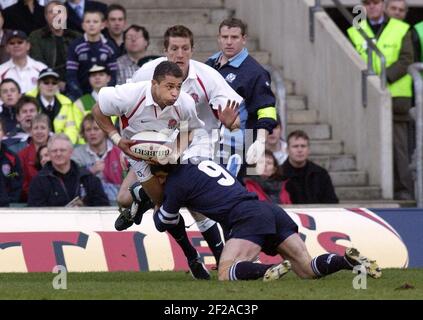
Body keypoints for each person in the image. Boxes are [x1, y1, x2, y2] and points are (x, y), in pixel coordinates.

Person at [149, 159, 381, 281]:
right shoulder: (198, 161)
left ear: (160, 175)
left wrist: (156, 202)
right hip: (269, 210)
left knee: (224, 271)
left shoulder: (175, 182)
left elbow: (163, 223)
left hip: (245, 217)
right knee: (307, 270)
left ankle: (271, 269)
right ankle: (347, 262)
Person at [126, 25, 243, 265]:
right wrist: (127, 142)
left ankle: (214, 258)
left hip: (199, 142)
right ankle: (195, 255)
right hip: (159, 142)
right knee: (123, 199)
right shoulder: (147, 73)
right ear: (165, 50)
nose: (180, 54)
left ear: (192, 50)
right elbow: (128, 108)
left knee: (193, 203)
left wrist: (231, 123)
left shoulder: (208, 76)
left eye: (185, 48)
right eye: (174, 48)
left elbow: (235, 120)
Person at [93, 61, 215, 279]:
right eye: (169, 86)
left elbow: (189, 130)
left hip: (169, 151)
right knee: (161, 206)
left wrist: (175, 152)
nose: (175, 92)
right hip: (137, 153)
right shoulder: (128, 95)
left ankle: (209, 258)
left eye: (178, 86)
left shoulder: (185, 102)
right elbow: (97, 111)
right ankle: (191, 255)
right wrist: (117, 139)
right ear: (154, 84)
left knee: (187, 206)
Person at [347, 0, 414, 200]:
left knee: (398, 148)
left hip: (395, 96)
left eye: (376, 3)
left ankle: (404, 192)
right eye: (368, 3)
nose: (373, 7)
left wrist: (381, 79)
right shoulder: (355, 31)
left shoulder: (401, 28)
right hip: (365, 97)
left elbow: (406, 60)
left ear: (383, 5)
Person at [206, 18, 278, 178]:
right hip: (207, 142)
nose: (229, 42)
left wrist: (260, 140)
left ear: (244, 39)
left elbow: (267, 109)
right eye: (225, 37)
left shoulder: (254, 72)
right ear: (218, 38)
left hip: (236, 146)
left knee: (230, 193)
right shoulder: (209, 64)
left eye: (235, 37)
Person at [28, 133, 109, 207]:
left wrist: (84, 208)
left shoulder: (87, 178)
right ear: (49, 153)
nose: (58, 154)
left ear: (71, 152)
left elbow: (103, 207)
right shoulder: (38, 181)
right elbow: (36, 213)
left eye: (62, 150)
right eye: (54, 151)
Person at [29, 0, 81, 91]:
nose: (55, 15)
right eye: (51, 12)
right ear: (45, 16)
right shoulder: (36, 36)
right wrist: (55, 81)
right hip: (47, 82)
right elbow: (37, 62)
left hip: (75, 82)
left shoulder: (76, 37)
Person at [66, 9, 117, 101]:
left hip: (104, 96)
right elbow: (71, 75)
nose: (91, 24)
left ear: (103, 25)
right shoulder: (75, 46)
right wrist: (82, 98)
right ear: (83, 25)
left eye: (95, 21)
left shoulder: (110, 46)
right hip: (80, 95)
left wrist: (105, 95)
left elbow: (113, 76)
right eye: (88, 21)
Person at [72, 113, 124, 202]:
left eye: (96, 129)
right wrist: (90, 171)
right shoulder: (76, 154)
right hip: (88, 204)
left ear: (104, 130)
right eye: (88, 130)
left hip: (116, 203)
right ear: (83, 133)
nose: (92, 133)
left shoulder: (120, 153)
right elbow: (70, 179)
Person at [26, 68, 83, 144]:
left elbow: (70, 128)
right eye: (46, 82)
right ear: (39, 84)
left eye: (54, 83)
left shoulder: (66, 103)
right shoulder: (28, 101)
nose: (50, 86)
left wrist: (64, 144)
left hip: (60, 146)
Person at [281, 130, 338, 204]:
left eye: (303, 146)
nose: (300, 150)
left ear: (308, 150)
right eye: (295, 146)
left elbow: (331, 202)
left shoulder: (321, 174)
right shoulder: (278, 175)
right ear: (287, 150)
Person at [18, 113, 50, 201]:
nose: (39, 131)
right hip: (29, 200)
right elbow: (15, 176)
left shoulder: (56, 152)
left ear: (49, 130)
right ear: (31, 131)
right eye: (36, 128)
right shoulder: (22, 155)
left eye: (43, 128)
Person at [0, 118, 23, 204]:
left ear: (3, 134)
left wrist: (10, 201)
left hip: (6, 208)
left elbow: (17, 176)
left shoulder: (12, 158)